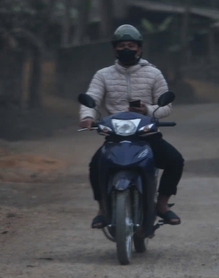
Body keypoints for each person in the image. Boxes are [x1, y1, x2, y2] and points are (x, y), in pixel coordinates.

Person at [79, 24, 185, 229]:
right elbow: (91, 99)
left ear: (139, 48)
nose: (126, 49)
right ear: (114, 49)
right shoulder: (103, 75)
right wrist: (88, 117)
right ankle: (102, 208)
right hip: (115, 135)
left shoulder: (153, 74)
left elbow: (166, 107)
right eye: (121, 45)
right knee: (96, 165)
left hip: (147, 134)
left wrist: (148, 110)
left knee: (175, 161)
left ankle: (161, 204)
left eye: (131, 45)